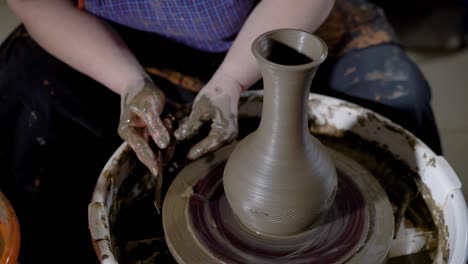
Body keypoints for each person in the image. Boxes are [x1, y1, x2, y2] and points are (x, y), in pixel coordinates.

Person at [1, 0, 442, 263]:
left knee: (397, 101)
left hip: (277, 22)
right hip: (115, 41)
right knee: (26, 103)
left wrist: (231, 80)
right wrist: (128, 83)